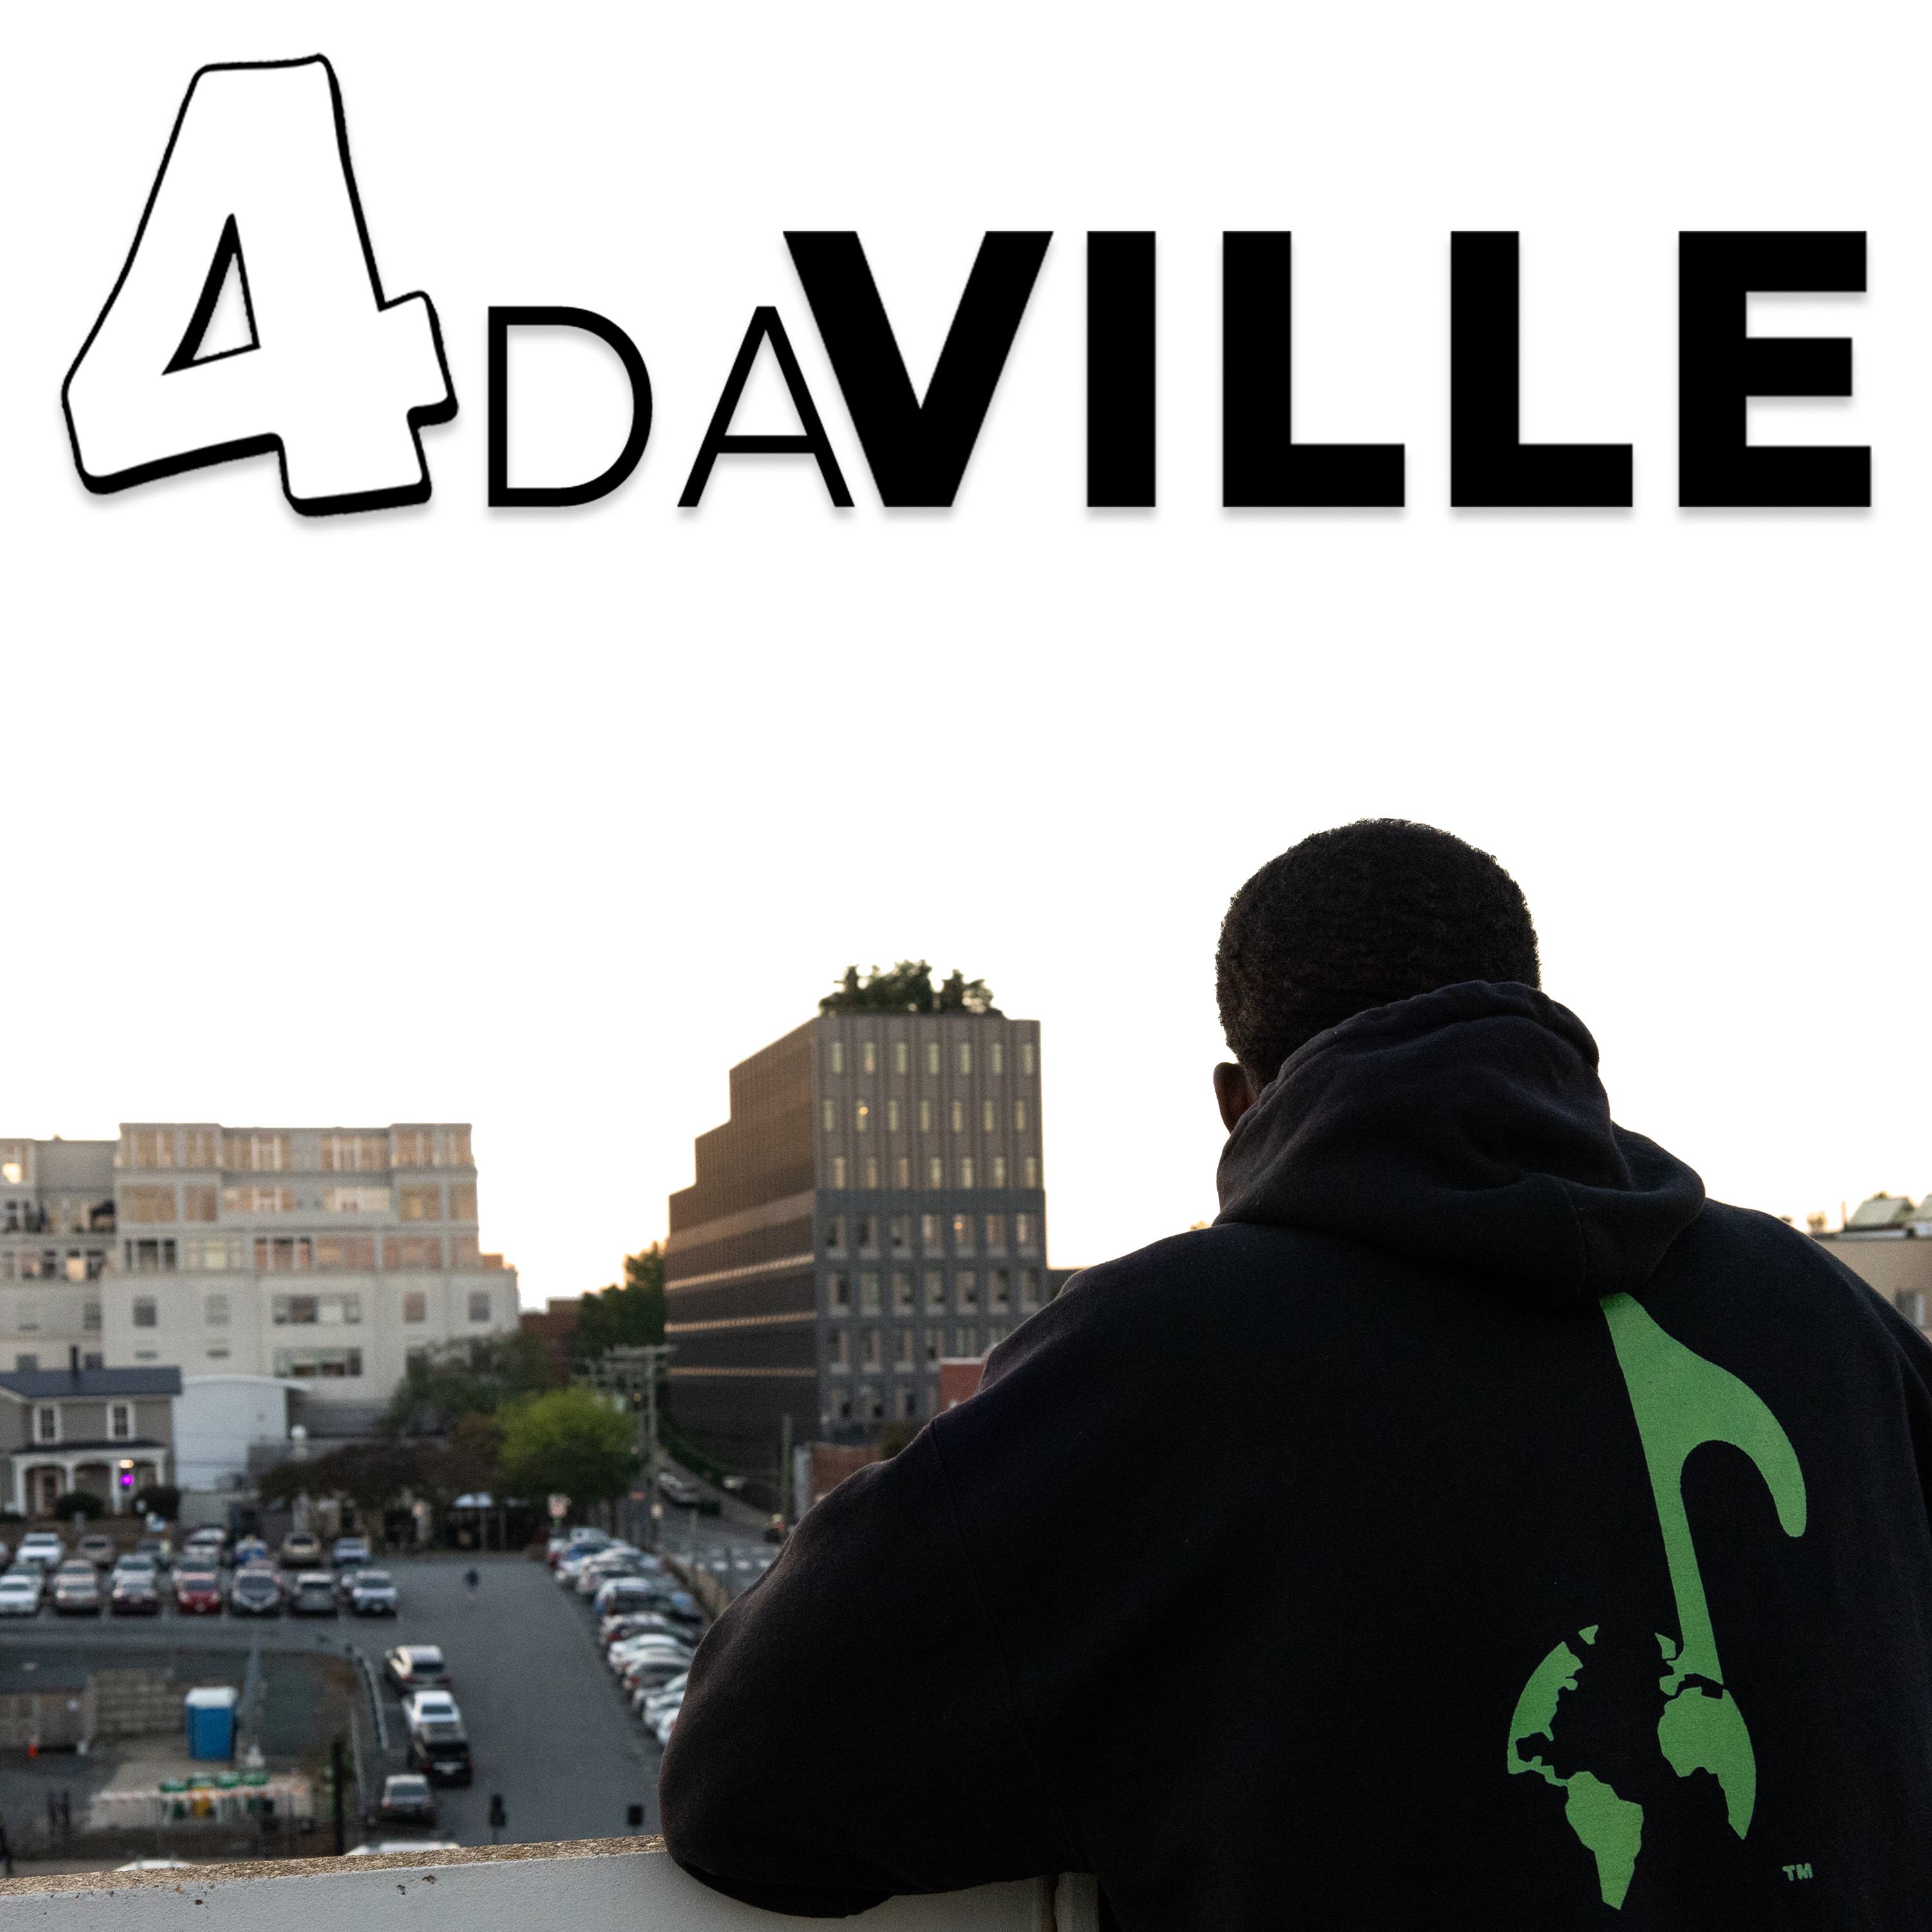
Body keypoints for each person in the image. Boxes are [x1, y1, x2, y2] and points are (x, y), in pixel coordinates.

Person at [661, 819, 1932, 1926]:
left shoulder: (1158, 1360)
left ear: (1238, 1099)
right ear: (1551, 1036)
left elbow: (744, 1781)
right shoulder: (1831, 1319)